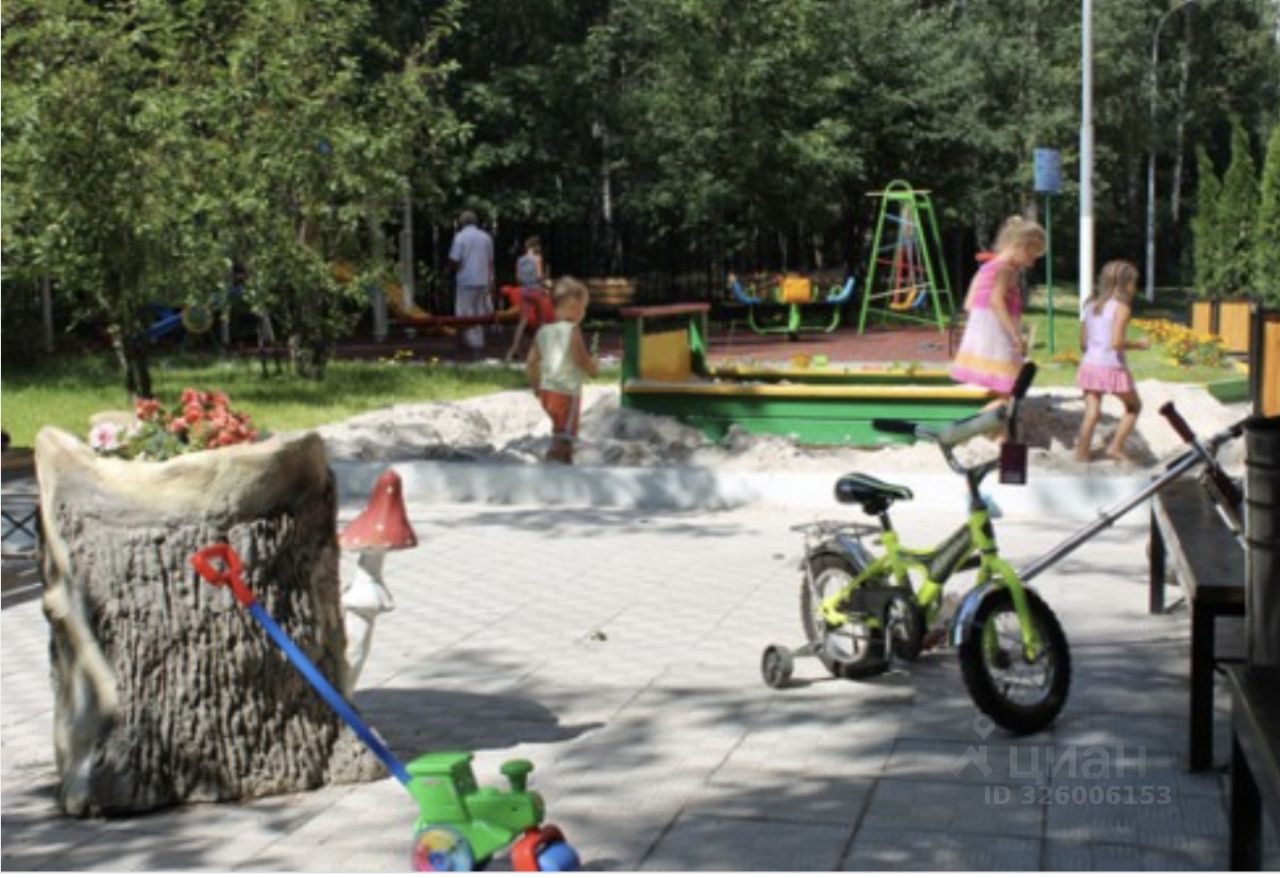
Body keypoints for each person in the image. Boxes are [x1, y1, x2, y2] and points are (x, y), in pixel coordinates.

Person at [950, 215, 1046, 402]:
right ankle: (997, 416)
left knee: (989, 384)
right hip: (999, 337)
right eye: (1031, 255)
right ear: (1020, 247)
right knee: (1005, 386)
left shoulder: (985, 268)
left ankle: (991, 416)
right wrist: (1015, 335)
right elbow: (996, 301)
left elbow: (969, 304)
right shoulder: (1007, 270)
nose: (1032, 262)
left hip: (979, 338)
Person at [1074, 260, 1150, 463]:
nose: (1134, 288)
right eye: (1133, 283)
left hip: (1089, 365)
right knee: (1134, 406)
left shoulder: (1090, 305)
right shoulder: (1122, 308)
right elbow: (1116, 343)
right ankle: (1115, 447)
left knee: (1091, 413)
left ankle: (1081, 455)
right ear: (1126, 284)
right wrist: (1139, 344)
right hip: (1111, 366)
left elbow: (1083, 343)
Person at [526, 276, 599, 464]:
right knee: (566, 437)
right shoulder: (572, 330)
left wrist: (536, 387)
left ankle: (565, 463)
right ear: (575, 308)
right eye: (583, 307)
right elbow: (580, 358)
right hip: (567, 393)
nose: (583, 312)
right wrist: (593, 369)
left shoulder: (543, 332)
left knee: (559, 430)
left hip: (547, 392)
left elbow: (531, 362)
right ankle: (553, 464)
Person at [447, 209, 495, 356]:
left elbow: (455, 259)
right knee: (480, 311)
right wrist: (491, 279)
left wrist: (449, 271)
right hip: (483, 279)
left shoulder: (460, 237)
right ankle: (477, 342)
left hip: (466, 279)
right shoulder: (486, 237)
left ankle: (471, 344)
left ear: (462, 222)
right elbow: (490, 260)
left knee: (465, 313)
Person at [505, 236, 554, 362]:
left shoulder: (520, 260)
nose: (540, 249)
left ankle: (513, 350)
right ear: (534, 246)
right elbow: (539, 277)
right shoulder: (537, 259)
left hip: (524, 292)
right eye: (538, 246)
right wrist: (546, 282)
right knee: (542, 320)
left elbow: (518, 278)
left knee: (523, 321)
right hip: (536, 292)